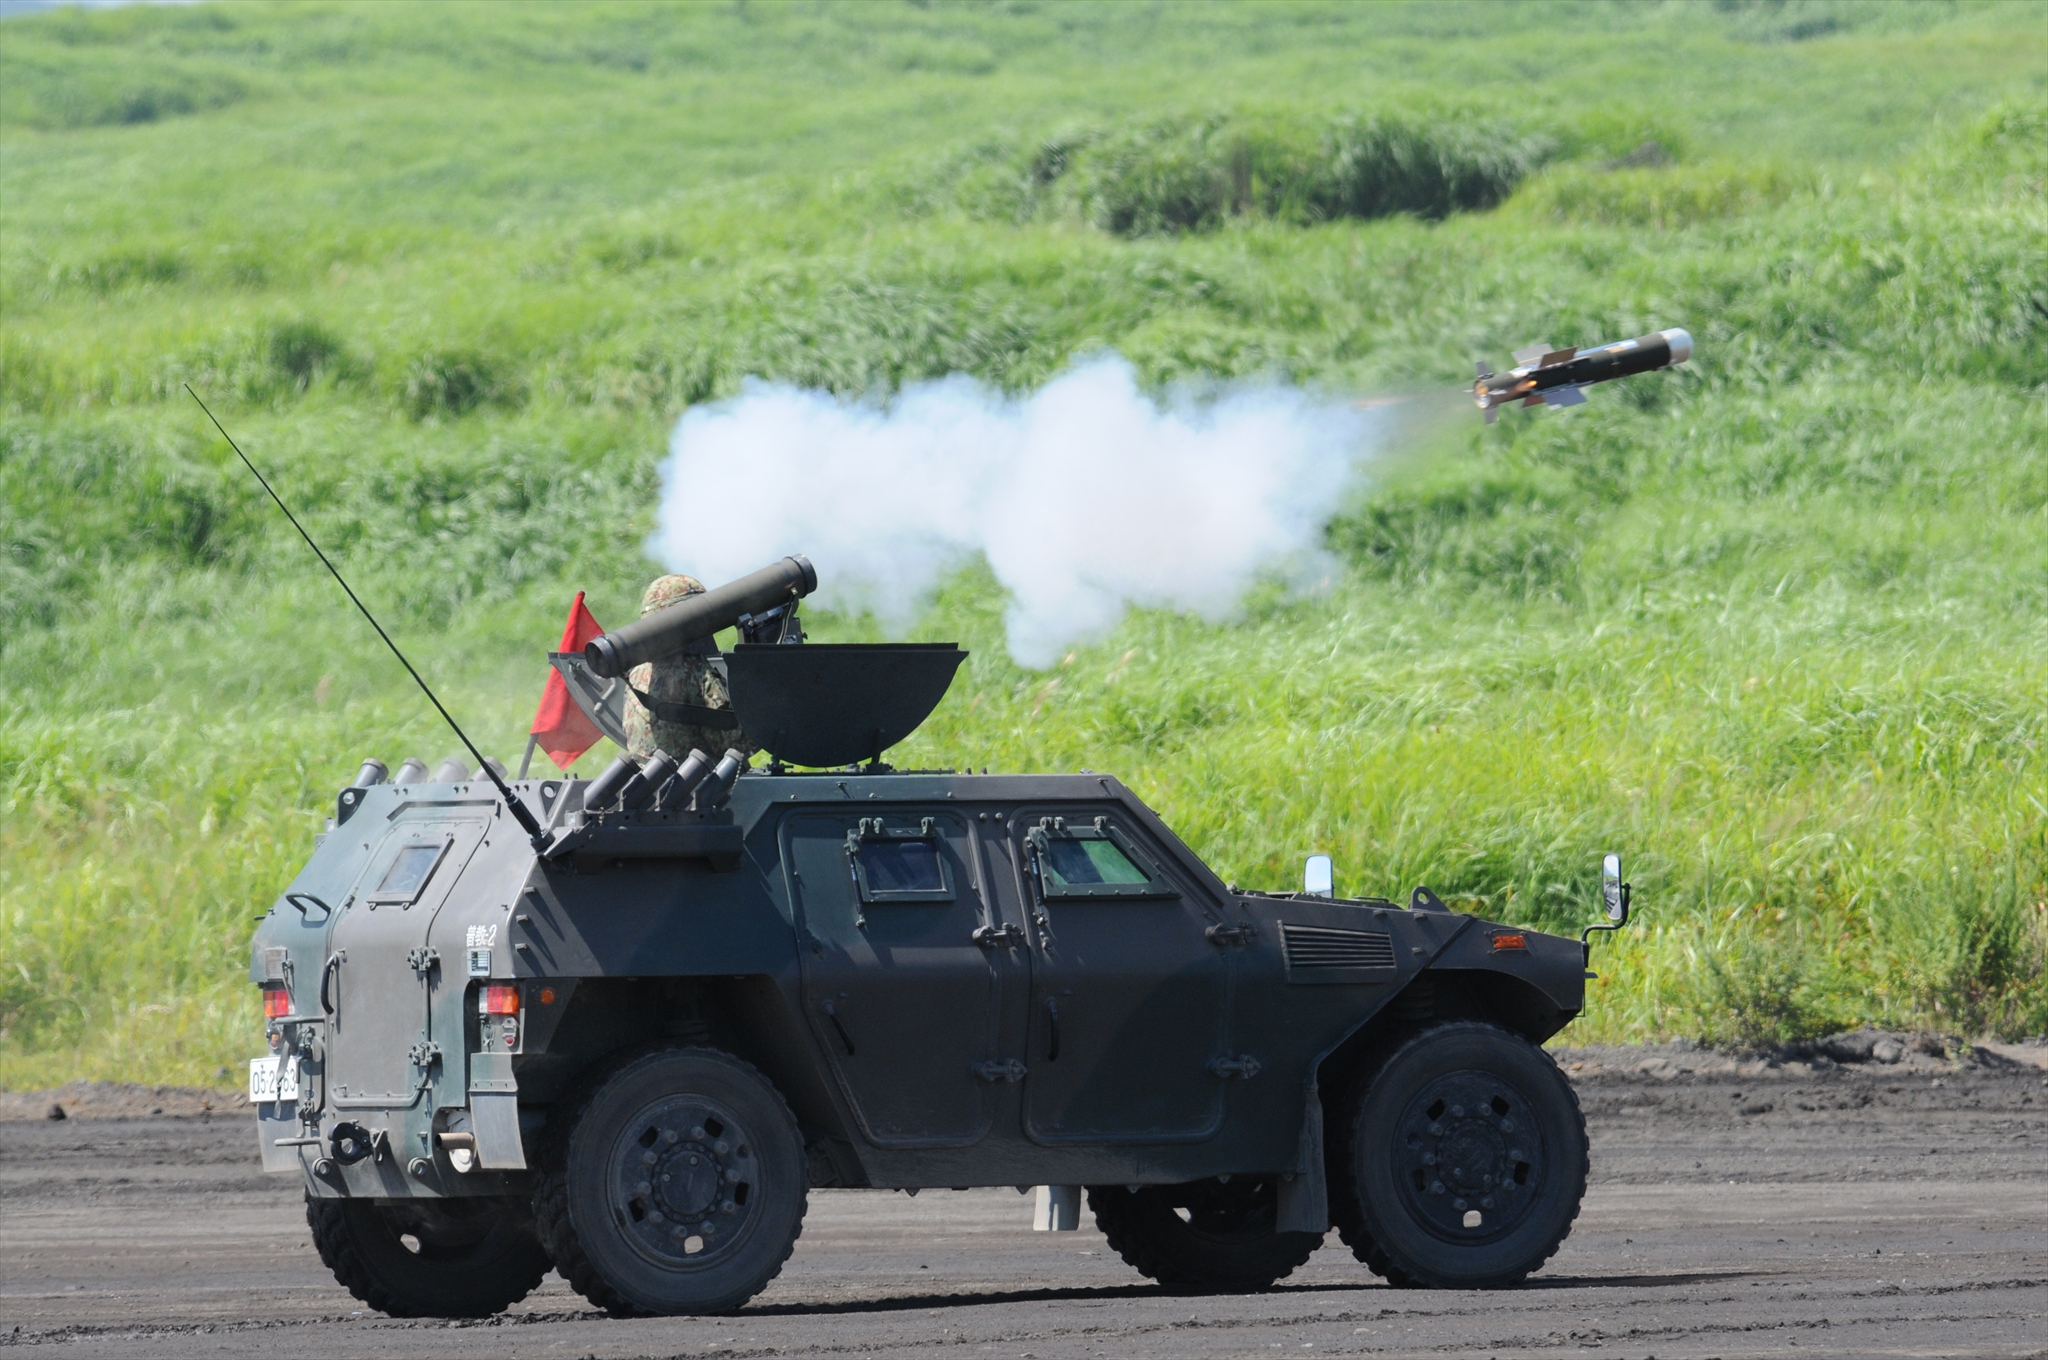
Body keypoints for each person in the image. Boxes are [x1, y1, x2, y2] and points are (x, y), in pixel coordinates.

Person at [620, 574, 754, 762]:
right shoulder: (696, 673)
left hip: (647, 783)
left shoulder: (635, 674)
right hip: (696, 785)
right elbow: (734, 743)